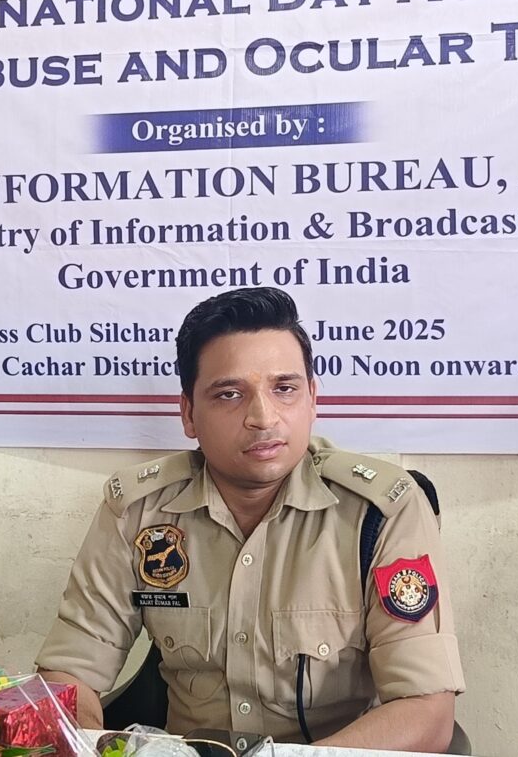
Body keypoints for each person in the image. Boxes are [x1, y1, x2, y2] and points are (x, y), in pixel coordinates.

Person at [37, 287, 463, 751]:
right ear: (189, 414)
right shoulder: (139, 511)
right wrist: (87, 742)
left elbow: (426, 711)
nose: (263, 417)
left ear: (312, 399)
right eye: (230, 394)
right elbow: (69, 674)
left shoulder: (379, 513)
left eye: (284, 389)